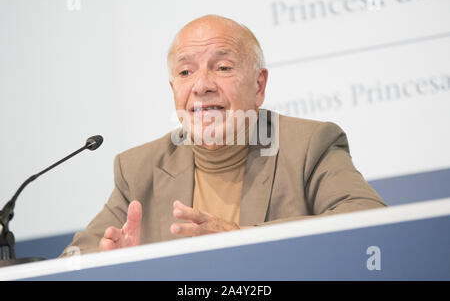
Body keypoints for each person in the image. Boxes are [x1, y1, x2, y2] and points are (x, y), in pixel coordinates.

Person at [60, 15, 386, 256]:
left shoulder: (308, 145)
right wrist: (111, 266)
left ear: (258, 86)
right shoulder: (138, 169)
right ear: (174, 90)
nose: (201, 86)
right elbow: (70, 261)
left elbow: (370, 220)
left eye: (223, 67)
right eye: (186, 72)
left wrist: (242, 236)